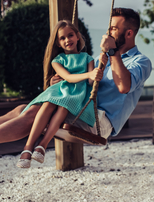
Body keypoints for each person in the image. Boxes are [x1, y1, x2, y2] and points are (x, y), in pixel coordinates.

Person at [0, 8, 152, 160]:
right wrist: (61, 81)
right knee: (21, 109)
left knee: (34, 113)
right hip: (82, 108)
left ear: (129, 33)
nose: (109, 31)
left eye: (114, 28)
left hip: (100, 121)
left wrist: (112, 53)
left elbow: (123, 86)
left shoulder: (141, 61)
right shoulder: (103, 58)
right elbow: (85, 82)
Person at [15, 20, 103, 168]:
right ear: (57, 43)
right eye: (62, 38)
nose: (67, 40)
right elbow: (68, 77)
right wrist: (89, 74)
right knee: (48, 103)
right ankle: (28, 147)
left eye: (70, 35)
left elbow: (89, 83)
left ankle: (42, 146)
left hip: (76, 94)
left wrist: (97, 72)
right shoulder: (57, 60)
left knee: (64, 106)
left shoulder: (88, 58)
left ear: (77, 36)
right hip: (61, 90)